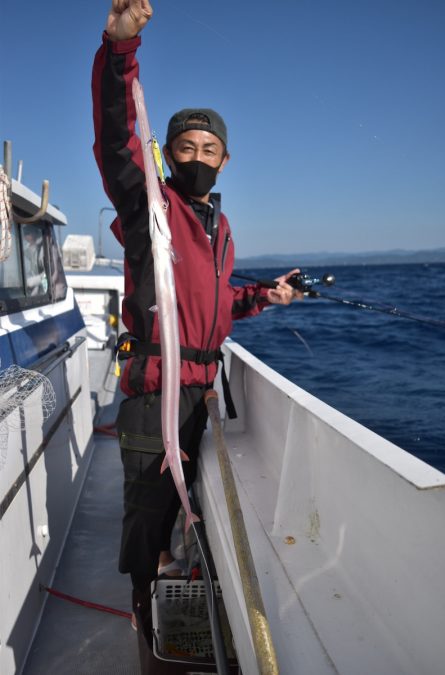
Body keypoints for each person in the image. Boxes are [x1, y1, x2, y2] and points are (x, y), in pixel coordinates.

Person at [92, 0, 302, 636]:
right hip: (152, 395)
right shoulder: (146, 205)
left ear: (226, 160)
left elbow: (213, 305)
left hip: (200, 396)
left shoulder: (220, 227)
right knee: (146, 516)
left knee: (182, 517)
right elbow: (114, 134)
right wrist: (118, 52)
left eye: (210, 148)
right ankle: (143, 622)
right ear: (168, 155)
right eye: (186, 147)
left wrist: (266, 296)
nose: (199, 156)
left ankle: (169, 601)